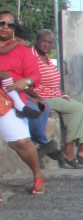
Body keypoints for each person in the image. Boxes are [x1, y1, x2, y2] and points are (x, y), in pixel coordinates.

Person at [31, 29, 83, 168]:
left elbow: (53, 82)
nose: (46, 44)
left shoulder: (46, 58)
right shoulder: (30, 56)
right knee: (78, 109)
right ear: (37, 41)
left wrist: (63, 93)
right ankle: (69, 151)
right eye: (44, 41)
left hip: (55, 94)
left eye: (50, 43)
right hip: (42, 96)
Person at [0, 10, 47, 195]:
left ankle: (38, 176)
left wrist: (24, 82)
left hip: (10, 101)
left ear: (15, 28)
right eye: (1, 23)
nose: (5, 27)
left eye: (10, 24)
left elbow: (35, 76)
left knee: (21, 143)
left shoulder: (22, 50)